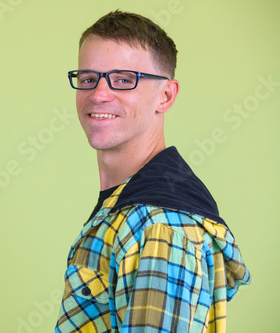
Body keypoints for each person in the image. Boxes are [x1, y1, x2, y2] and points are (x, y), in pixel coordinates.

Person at [55, 10, 251, 333]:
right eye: (89, 79)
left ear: (165, 96)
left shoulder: (160, 226)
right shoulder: (126, 208)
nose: (99, 94)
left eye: (123, 80)